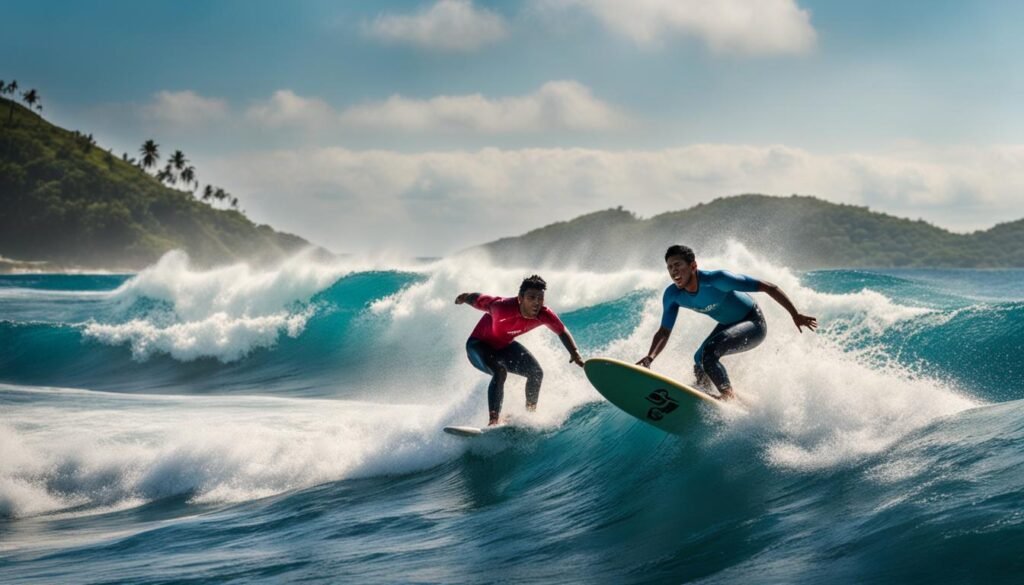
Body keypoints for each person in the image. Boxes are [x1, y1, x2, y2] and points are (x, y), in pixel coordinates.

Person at [637, 245, 817, 401]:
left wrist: (795, 314)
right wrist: (650, 357)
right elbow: (664, 332)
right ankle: (703, 394)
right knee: (699, 360)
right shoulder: (673, 296)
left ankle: (727, 396)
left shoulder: (718, 280)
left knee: (708, 353)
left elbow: (768, 287)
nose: (673, 271)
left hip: (753, 323)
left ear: (693, 266)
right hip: (728, 325)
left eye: (678, 265)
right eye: (669, 267)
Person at [455, 275, 584, 426]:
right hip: (477, 346)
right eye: (532, 297)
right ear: (520, 298)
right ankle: (493, 422)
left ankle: (529, 414)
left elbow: (561, 331)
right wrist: (464, 298)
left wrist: (574, 353)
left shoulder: (544, 314)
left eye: (540, 298)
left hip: (504, 346)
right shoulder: (501, 307)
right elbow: (479, 299)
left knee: (536, 373)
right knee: (499, 371)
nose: (537, 302)